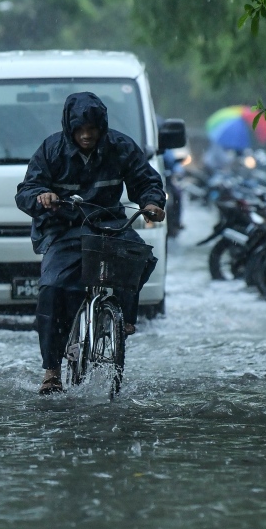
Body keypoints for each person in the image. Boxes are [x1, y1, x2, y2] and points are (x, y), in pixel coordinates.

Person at [15, 92, 166, 395]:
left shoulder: (121, 147)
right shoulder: (51, 150)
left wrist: (152, 203)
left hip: (109, 225)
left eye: (93, 129)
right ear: (69, 128)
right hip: (64, 230)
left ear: (102, 127)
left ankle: (123, 318)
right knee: (52, 288)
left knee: (141, 257)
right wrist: (42, 197)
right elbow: (26, 190)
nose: (86, 135)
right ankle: (52, 371)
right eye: (80, 130)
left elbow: (146, 181)